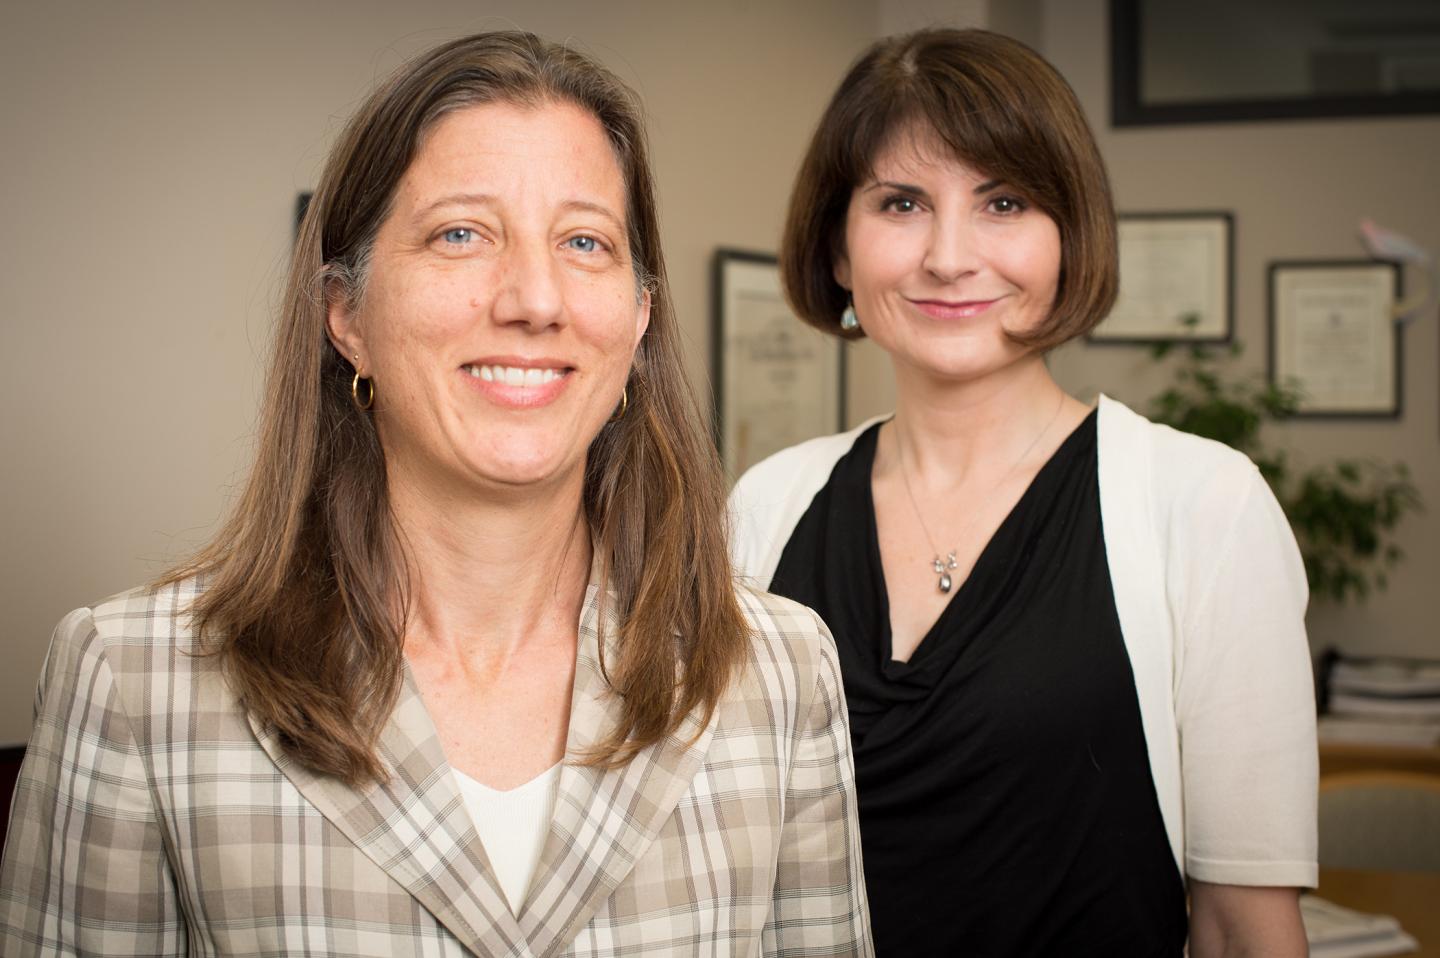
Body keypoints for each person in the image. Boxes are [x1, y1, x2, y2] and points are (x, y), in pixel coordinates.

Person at [1, 32, 870, 957]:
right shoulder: (138, 683)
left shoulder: (778, 674)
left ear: (639, 321)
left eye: (585, 241)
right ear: (347, 316)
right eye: (461, 234)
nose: (536, 298)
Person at [729, 28, 1316, 957]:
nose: (950, 256)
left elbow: (1244, 928)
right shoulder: (766, 508)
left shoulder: (1204, 505)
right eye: (902, 203)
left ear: (1068, 238)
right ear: (838, 250)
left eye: (1003, 202)